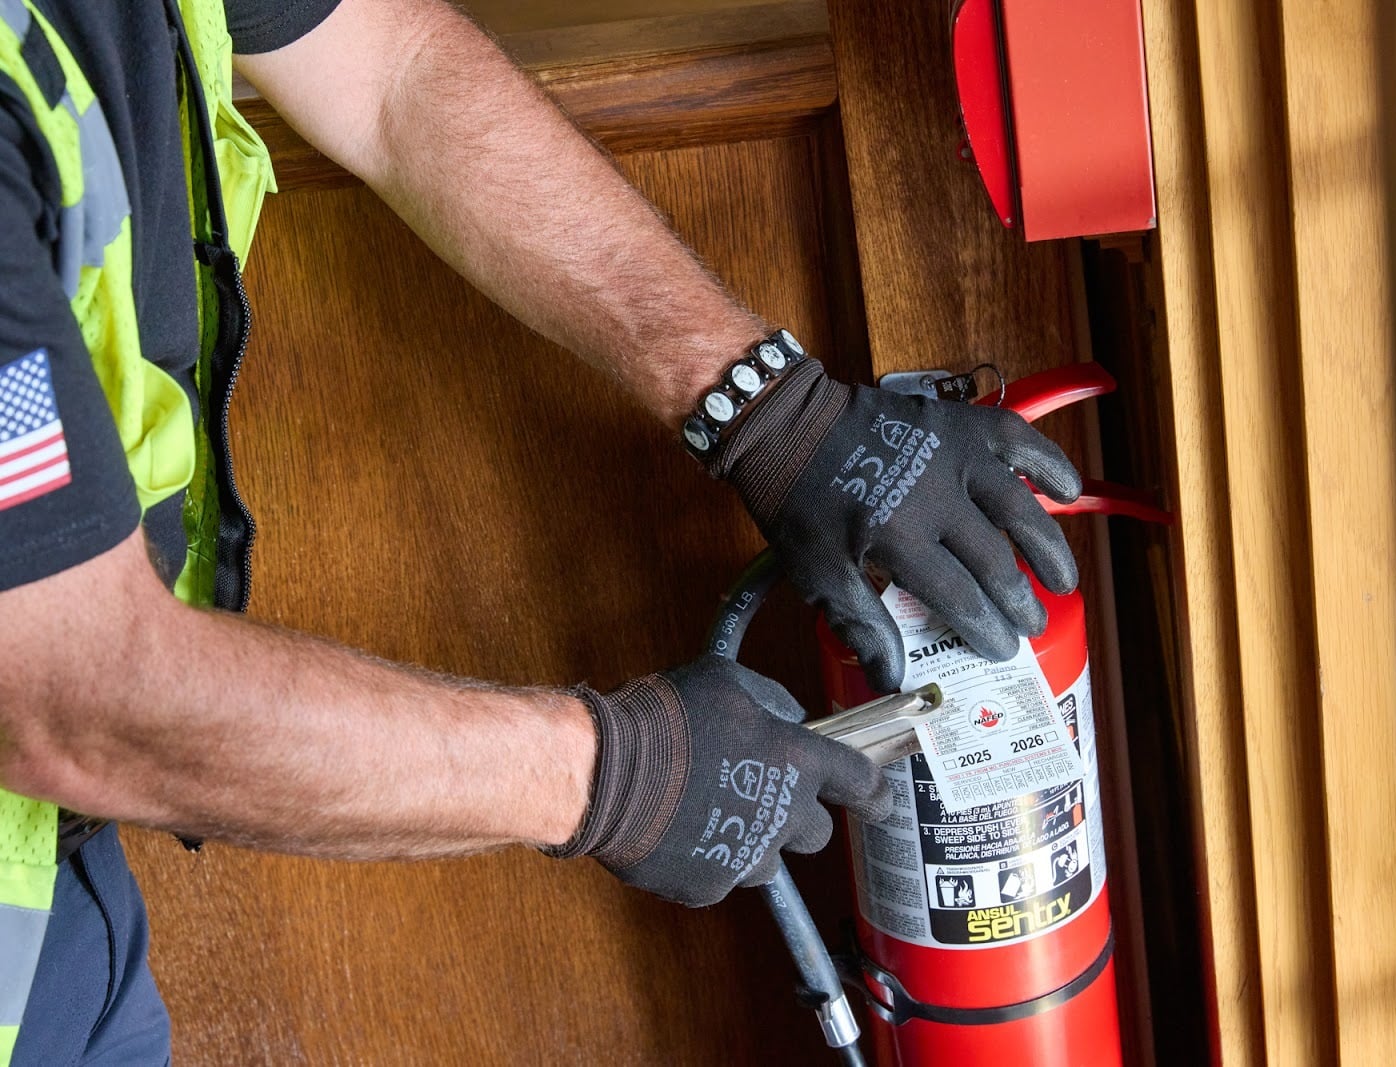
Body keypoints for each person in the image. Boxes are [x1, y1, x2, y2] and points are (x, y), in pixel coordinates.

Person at [0, 0, 1083, 1062]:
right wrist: (614, 775)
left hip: (62, 883)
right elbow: (81, 694)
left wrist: (767, 408)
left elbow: (389, 71)